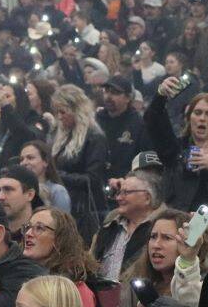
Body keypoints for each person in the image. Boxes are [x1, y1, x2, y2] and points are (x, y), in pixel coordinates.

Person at [146, 83, 208, 212]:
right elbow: (153, 121)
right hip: (177, 222)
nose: (202, 118)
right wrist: (161, 95)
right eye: (197, 113)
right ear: (189, 118)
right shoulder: (175, 149)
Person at [49, 85, 108, 240]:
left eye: (63, 112)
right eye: (57, 112)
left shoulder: (94, 137)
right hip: (61, 203)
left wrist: (57, 175)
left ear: (76, 110)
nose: (59, 117)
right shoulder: (59, 135)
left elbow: (93, 179)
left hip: (83, 209)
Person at [22, 207, 99, 307]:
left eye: (39, 228)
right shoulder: (20, 274)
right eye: (28, 227)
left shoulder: (77, 289)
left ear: (60, 239)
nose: (28, 234)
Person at [91, 169, 162, 281]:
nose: (118, 198)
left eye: (126, 193)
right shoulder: (110, 223)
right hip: (99, 293)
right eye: (119, 193)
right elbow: (91, 261)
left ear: (147, 198)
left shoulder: (161, 230)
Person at [17, 142, 71, 212]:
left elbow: (62, 222)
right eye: (21, 159)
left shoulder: (57, 191)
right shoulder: (18, 189)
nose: (24, 163)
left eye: (30, 158)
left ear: (45, 162)